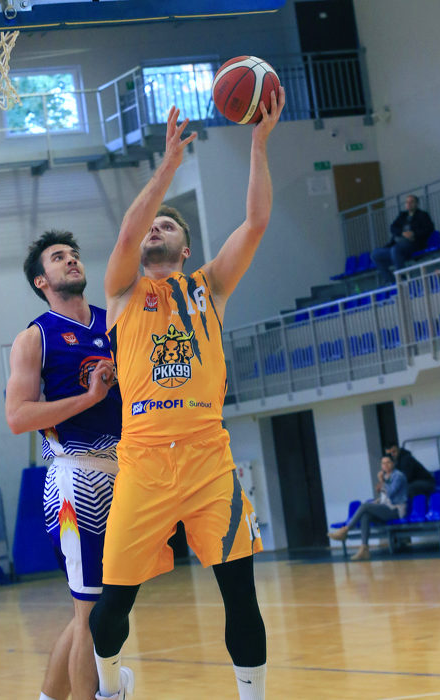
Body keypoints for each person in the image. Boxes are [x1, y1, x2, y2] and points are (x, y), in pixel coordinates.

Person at [89, 92, 284, 700]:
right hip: (142, 464)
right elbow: (129, 228)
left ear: (186, 248)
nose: (155, 228)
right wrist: (168, 165)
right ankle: (111, 685)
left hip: (208, 462)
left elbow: (256, 223)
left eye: (168, 225)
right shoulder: (122, 291)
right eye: (153, 223)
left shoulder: (210, 288)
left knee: (241, 597)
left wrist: (258, 143)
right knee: (110, 610)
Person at [5, 230, 121, 700]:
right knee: (91, 611)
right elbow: (18, 417)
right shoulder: (35, 337)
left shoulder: (115, 322)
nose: (72, 260)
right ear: (41, 280)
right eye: (58, 257)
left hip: (128, 470)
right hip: (77, 478)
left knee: (97, 610)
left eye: (74, 254)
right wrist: (89, 398)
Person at [328, 455, 408, 561]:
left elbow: (392, 493)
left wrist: (382, 482)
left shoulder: (398, 476)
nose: (385, 465)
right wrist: (378, 499)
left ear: (393, 463)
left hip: (396, 510)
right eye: (383, 463)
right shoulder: (386, 476)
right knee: (365, 515)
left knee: (365, 506)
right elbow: (385, 497)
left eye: (388, 462)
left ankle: (345, 530)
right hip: (386, 507)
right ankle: (364, 549)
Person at [371, 194, 435, 284]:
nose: (409, 204)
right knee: (375, 254)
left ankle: (402, 278)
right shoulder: (402, 215)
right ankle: (392, 281)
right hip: (397, 246)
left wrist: (414, 233)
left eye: (411, 202)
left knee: (395, 250)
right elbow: (393, 228)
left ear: (417, 204)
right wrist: (402, 233)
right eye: (407, 202)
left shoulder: (423, 215)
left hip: (413, 244)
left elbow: (429, 229)